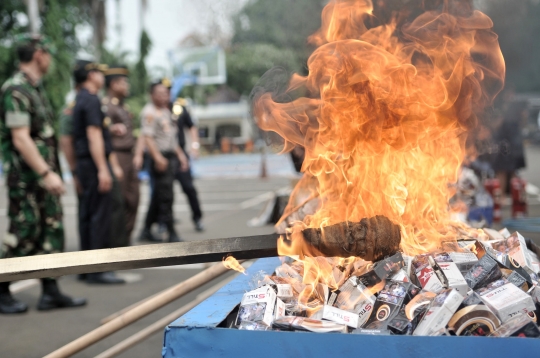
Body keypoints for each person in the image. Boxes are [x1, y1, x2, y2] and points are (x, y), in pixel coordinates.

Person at [0, 34, 86, 313]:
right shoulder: (15, 89)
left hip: (42, 181)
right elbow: (21, 139)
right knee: (23, 234)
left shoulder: (34, 88)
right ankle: (1, 291)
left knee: (50, 233)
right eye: (48, 53)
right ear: (39, 54)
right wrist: (47, 172)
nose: (50, 59)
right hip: (27, 180)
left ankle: (50, 292)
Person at [72, 59, 124, 284]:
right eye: (99, 73)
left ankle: (86, 268)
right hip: (93, 165)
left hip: (85, 164)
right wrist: (103, 169)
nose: (103, 77)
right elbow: (93, 136)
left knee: (87, 215)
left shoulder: (80, 99)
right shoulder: (91, 100)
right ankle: (97, 270)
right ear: (90, 75)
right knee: (99, 216)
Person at [138, 80, 189, 243]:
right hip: (159, 159)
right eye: (159, 94)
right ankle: (171, 232)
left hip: (169, 157)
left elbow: (171, 138)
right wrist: (158, 158)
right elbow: (148, 137)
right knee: (166, 196)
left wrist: (180, 155)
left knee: (158, 197)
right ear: (152, 95)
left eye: (166, 94)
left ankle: (145, 230)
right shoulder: (150, 112)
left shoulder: (165, 111)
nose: (163, 97)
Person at [103, 65, 142, 244]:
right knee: (117, 203)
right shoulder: (106, 106)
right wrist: (111, 129)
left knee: (133, 199)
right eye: (123, 82)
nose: (127, 86)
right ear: (113, 84)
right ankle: (117, 243)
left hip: (129, 155)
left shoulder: (122, 106)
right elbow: (100, 131)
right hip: (116, 155)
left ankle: (125, 238)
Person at [171, 97, 204, 232]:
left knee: (189, 188)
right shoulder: (156, 110)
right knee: (161, 193)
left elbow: (192, 127)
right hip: (163, 156)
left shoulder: (178, 108)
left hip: (180, 157)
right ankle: (161, 222)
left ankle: (197, 218)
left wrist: (195, 146)